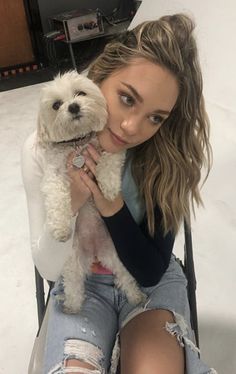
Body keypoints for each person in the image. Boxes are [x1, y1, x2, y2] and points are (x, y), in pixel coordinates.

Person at [21, 13, 217, 374]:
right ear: (99, 77)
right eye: (127, 98)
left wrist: (112, 206)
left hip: (149, 279)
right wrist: (75, 200)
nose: (132, 127)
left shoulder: (166, 158)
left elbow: (150, 270)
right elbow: (50, 268)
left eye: (155, 117)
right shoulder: (43, 150)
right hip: (78, 276)